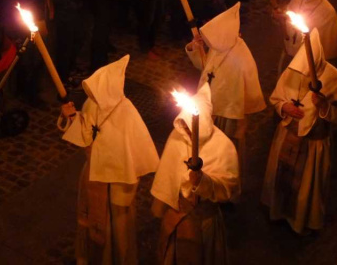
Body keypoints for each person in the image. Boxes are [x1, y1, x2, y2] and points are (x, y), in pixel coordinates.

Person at [60, 55, 159, 264]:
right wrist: (70, 118)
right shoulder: (92, 103)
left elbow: (133, 155)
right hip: (94, 176)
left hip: (117, 185)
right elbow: (85, 133)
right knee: (93, 220)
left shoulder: (126, 113)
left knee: (117, 229)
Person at [261, 29, 337, 235]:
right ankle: (277, 211)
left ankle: (299, 220)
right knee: (280, 178)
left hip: (313, 144)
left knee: (306, 189)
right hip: (287, 135)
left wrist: (323, 107)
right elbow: (276, 98)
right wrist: (284, 107)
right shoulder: (292, 71)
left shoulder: (333, 78)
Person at [150, 84, 240, 264]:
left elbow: (227, 188)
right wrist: (162, 205)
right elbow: (167, 175)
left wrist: (203, 181)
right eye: (186, 126)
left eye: (193, 128)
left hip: (203, 220)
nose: (189, 132)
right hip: (176, 215)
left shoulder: (223, 146)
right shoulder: (177, 138)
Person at [185, 2, 266, 168]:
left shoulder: (241, 57)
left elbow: (240, 94)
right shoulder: (220, 46)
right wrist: (196, 47)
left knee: (224, 152)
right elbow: (206, 68)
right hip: (211, 108)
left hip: (228, 117)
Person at [273, 0, 337, 75]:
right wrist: (280, 18)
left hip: (309, 67)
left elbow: (327, 54)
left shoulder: (328, 13)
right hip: (290, 56)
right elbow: (288, 25)